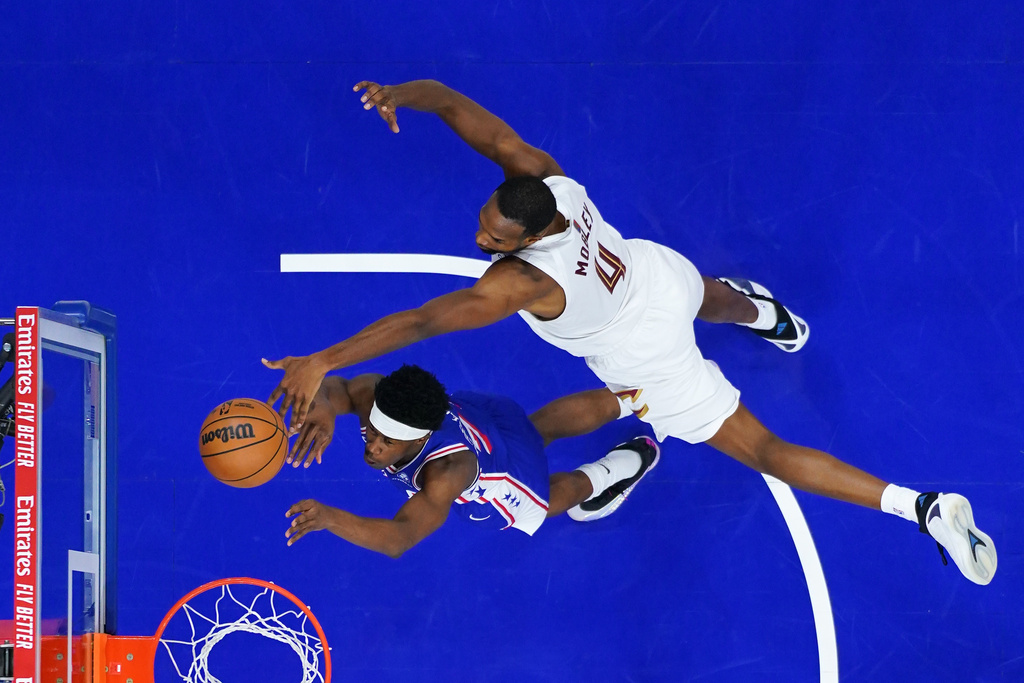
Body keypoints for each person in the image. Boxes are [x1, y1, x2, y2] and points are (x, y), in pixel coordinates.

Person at [266, 79, 996, 585]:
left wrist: (322, 358)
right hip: (647, 270)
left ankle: (921, 506)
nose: (481, 237)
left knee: (764, 449)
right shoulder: (545, 180)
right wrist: (407, 98)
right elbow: (463, 110)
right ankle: (767, 314)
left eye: (493, 235)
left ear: (530, 234)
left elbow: (424, 320)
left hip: (641, 347)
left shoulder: (520, 282)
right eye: (485, 225)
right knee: (708, 296)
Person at [284, 364, 660, 556]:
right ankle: (644, 390)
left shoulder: (444, 474)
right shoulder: (375, 394)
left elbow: (399, 538)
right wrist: (325, 408)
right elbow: (339, 389)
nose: (374, 447)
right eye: (374, 432)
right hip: (482, 419)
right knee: (533, 431)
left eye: (388, 440)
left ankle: (615, 469)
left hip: (496, 478)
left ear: (419, 437)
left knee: (543, 502)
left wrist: (329, 517)